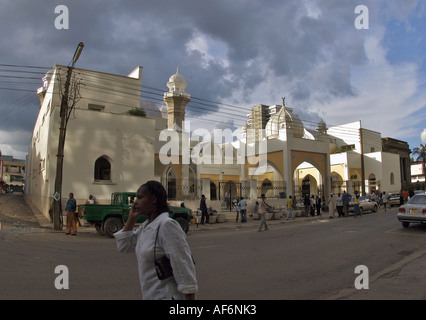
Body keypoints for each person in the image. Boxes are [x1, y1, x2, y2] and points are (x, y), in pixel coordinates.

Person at [114, 181, 197, 300]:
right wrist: (131, 219)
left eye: (140, 197)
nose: (135, 202)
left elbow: (182, 263)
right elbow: (123, 246)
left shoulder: (167, 225)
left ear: (153, 199)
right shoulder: (146, 227)